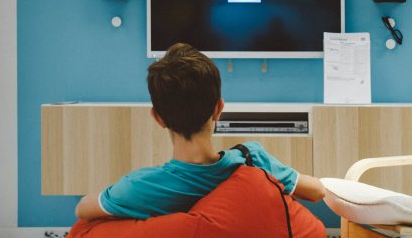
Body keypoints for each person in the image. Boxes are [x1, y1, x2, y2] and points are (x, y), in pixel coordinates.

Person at [75, 43, 326, 221]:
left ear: (158, 118)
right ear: (219, 109)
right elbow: (316, 191)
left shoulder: (140, 187)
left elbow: (83, 209)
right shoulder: (253, 160)